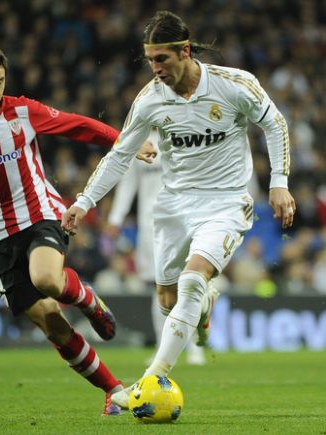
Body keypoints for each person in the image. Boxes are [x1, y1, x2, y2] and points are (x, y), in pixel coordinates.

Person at [62, 11, 295, 408]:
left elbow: (275, 124)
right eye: (150, 60)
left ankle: (152, 378)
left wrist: (279, 182)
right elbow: (120, 155)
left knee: (191, 280)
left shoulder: (233, 84)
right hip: (173, 205)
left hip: (226, 201)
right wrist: (84, 202)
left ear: (185, 51)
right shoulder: (150, 100)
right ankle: (204, 306)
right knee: (168, 301)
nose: (155, 69)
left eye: (162, 59)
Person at [0, 40, 143, 416]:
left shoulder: (22, 111)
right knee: (52, 325)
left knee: (47, 278)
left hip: (39, 215)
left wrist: (124, 141)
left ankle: (88, 301)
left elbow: (77, 126)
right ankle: (113, 390)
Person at [106, 128, 206, 366]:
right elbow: (128, 182)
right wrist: (115, 218)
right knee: (157, 285)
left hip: (181, 220)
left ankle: (194, 346)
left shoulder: (183, 132)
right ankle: (163, 348)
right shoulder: (138, 139)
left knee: (187, 282)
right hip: (149, 224)